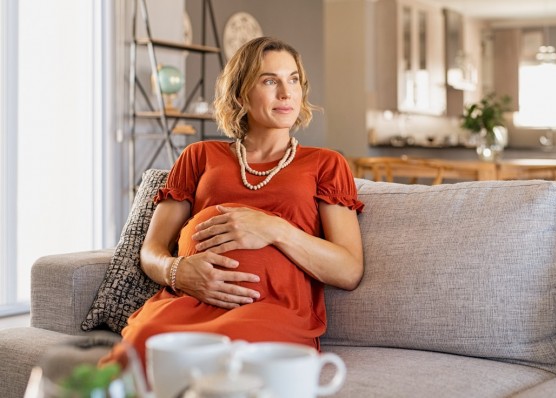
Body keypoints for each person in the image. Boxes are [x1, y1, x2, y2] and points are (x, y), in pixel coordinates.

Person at [102, 36, 364, 369]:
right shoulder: (199, 155)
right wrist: (177, 271)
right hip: (189, 300)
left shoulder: (326, 164)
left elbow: (349, 270)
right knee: (136, 355)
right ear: (241, 93)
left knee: (228, 362)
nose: (287, 93)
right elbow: (151, 250)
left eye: (293, 79)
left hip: (271, 309)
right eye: (270, 80)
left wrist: (274, 229)